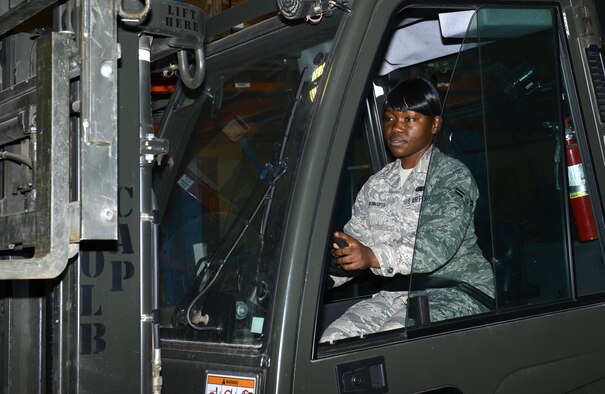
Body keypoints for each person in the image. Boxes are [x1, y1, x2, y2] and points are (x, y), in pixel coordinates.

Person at [320, 77, 494, 343]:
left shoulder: (451, 176)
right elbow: (356, 244)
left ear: (434, 124)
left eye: (409, 120)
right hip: (394, 295)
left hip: (455, 291)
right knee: (333, 340)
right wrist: (322, 277)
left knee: (393, 341)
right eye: (389, 119)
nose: (396, 129)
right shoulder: (376, 184)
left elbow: (435, 246)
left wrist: (371, 255)